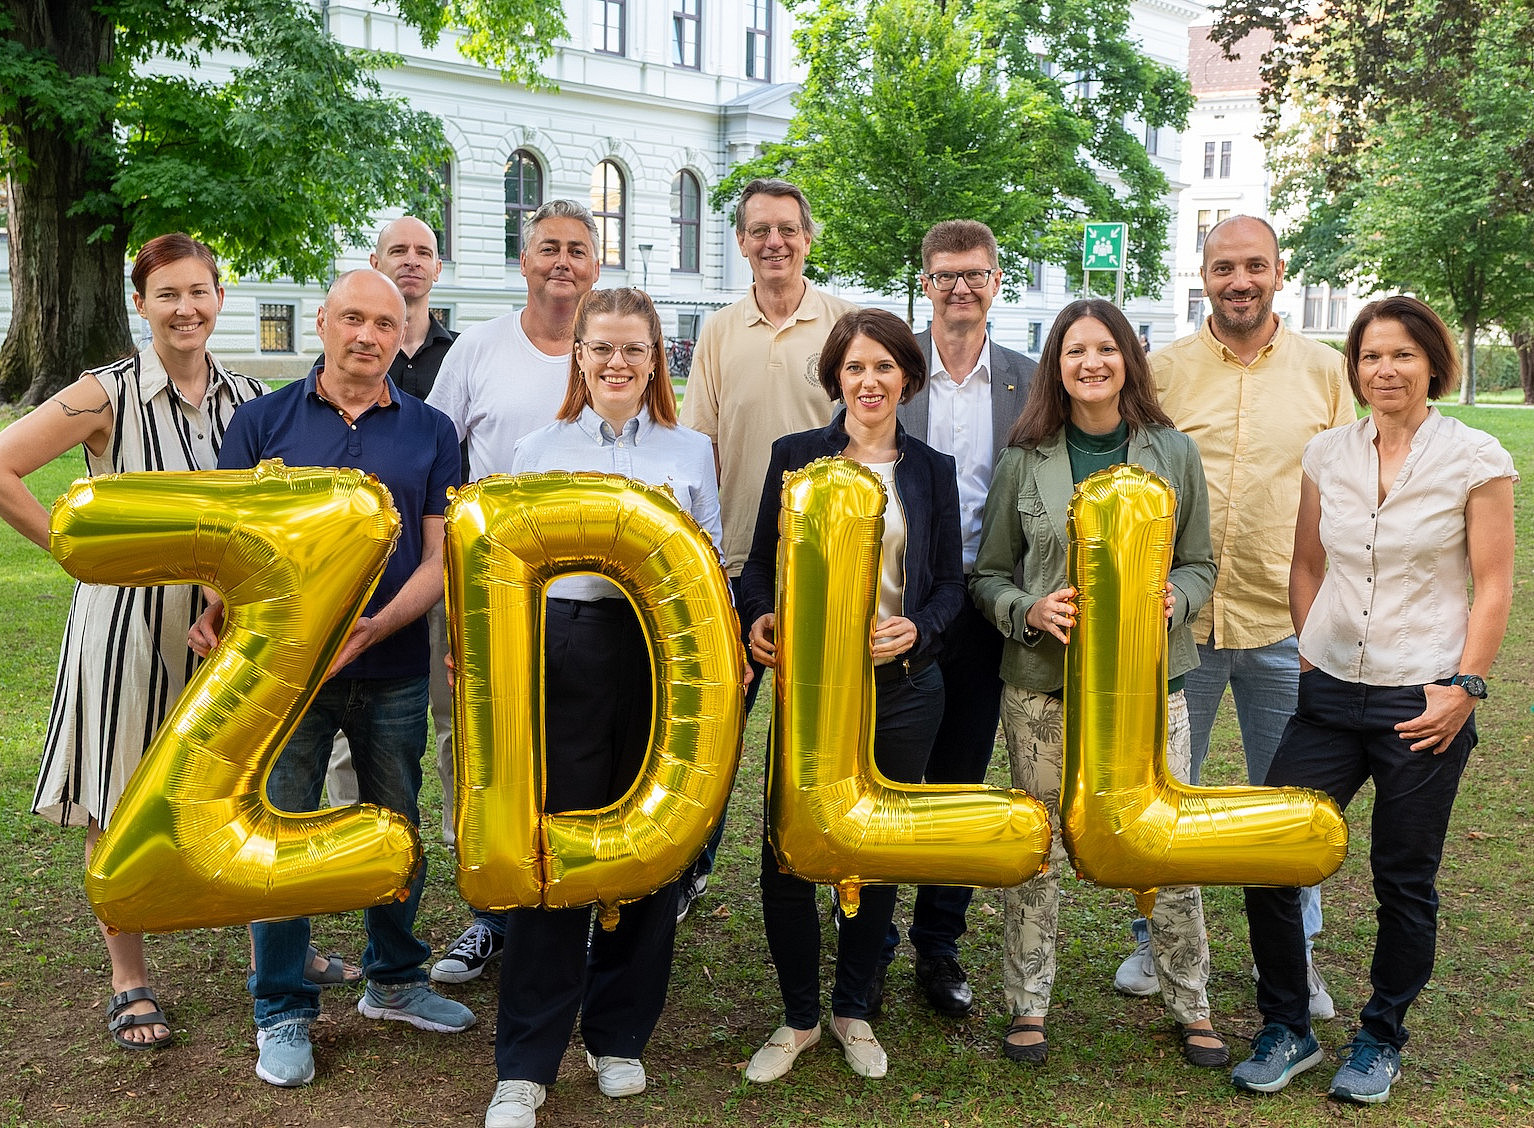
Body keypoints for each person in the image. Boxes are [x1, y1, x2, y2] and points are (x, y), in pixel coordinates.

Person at [191, 268, 473, 1088]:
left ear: (401, 333)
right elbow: (225, 538)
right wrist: (217, 605)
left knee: (396, 822)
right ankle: (280, 1006)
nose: (368, 335)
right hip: (283, 677)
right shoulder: (262, 420)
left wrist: (384, 623)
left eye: (385, 323)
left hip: (390, 668)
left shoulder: (430, 429)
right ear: (321, 322)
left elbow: (439, 552)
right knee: (278, 832)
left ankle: (395, 980)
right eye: (353, 317)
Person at [1231, 296, 1515, 1105]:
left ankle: (1381, 1035)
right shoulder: (1329, 454)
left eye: (1401, 356)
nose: (1384, 371)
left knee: (1403, 876)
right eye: (1369, 357)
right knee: (1270, 855)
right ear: (1354, 370)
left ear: (1433, 363)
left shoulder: (1477, 458)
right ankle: (1287, 1026)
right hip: (1326, 692)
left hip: (1422, 701)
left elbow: (1492, 585)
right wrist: (1310, 654)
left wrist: (1464, 687)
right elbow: (1306, 566)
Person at [0, 233, 266, 1051]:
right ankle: (130, 979)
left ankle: (277, 954)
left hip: (222, 632)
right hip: (123, 628)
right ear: (139, 304)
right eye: (167, 295)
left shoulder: (251, 399)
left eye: (199, 291)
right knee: (114, 798)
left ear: (218, 297)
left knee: (250, 790)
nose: (185, 309)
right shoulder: (103, 395)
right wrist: (80, 554)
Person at [485, 287, 724, 1128]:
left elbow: (715, 568)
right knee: (553, 848)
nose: (617, 363)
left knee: (651, 843)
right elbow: (505, 578)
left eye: (634, 349)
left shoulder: (693, 450)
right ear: (577, 356)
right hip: (567, 650)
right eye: (601, 348)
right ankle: (526, 1062)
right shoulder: (535, 449)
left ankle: (618, 1037)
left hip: (662, 658)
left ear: (657, 358)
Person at [971, 299, 1227, 1070]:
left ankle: (1191, 1003)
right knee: (1037, 847)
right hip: (1043, 688)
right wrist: (1028, 607)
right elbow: (986, 575)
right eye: (1075, 350)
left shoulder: (1173, 452)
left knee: (1164, 844)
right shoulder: (1026, 457)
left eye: (1106, 349)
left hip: (1151, 687)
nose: (1091, 363)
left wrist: (1174, 599)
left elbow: (1202, 563)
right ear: (1057, 365)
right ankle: (1028, 1003)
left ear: (1128, 360)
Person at [1118, 215, 1354, 1017]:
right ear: (1204, 273)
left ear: (1280, 271)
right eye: (1224, 267)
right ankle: (1157, 943)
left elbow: (1350, 496)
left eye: (1254, 265)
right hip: (1175, 624)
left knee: (1289, 801)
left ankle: (1298, 960)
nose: (1239, 281)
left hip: (1289, 624)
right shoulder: (1162, 371)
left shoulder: (1325, 373)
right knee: (1162, 791)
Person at [739, 308, 965, 1083]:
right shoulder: (796, 457)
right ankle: (799, 1016)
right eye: (855, 368)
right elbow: (760, 564)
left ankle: (853, 1010)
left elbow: (948, 586)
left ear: (908, 377)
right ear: (836, 376)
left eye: (884, 368)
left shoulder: (931, 469)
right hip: (811, 692)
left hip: (903, 690)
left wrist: (919, 632)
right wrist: (758, 615)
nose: (869, 382)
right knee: (788, 853)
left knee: (876, 849)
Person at [426, 200, 601, 984]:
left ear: (597, 265)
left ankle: (577, 899)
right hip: (490, 586)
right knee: (479, 747)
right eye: (547, 248)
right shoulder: (480, 347)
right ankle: (491, 911)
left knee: (577, 743)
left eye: (577, 249)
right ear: (523, 261)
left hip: (595, 591)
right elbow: (438, 456)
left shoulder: (615, 346)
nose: (562, 261)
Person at [675, 177, 857, 919]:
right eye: (759, 230)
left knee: (824, 734)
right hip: (735, 567)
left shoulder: (844, 322)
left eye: (787, 228)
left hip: (831, 569)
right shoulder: (719, 331)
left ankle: (828, 866)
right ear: (743, 242)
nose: (774, 242)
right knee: (716, 732)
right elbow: (700, 449)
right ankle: (689, 868)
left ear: (808, 238)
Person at [885, 219, 1035, 1018]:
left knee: (959, 777)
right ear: (927, 282)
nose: (960, 288)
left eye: (975, 274)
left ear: (996, 281)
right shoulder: (894, 368)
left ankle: (937, 946)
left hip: (985, 603)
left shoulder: (1028, 379)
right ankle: (870, 938)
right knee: (886, 775)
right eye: (945, 274)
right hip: (899, 605)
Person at [326, 216, 462, 835]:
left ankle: (456, 835)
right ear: (377, 261)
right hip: (351, 590)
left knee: (451, 717)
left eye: (424, 252)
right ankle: (354, 842)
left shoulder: (463, 353)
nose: (411, 260)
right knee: (353, 738)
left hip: (436, 563)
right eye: (397, 251)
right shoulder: (347, 345)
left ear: (438, 269)